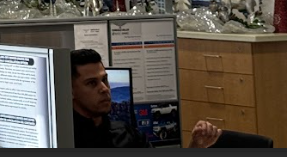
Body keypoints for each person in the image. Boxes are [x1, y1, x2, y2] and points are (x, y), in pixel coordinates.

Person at [71, 49, 222, 148]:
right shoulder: (61, 139)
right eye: (92, 83)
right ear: (70, 90)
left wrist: (195, 147)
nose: (104, 89)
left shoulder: (125, 133)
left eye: (105, 80)